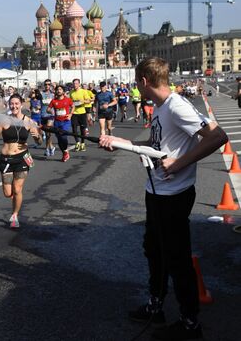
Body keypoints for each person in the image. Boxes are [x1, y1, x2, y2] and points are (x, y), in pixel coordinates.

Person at [100, 57, 227, 341]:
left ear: (144, 81)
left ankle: (190, 322)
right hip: (156, 192)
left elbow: (217, 137)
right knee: (154, 251)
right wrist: (121, 144)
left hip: (174, 196)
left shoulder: (176, 106)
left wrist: (179, 164)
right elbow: (156, 147)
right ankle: (156, 307)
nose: (135, 87)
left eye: (136, 82)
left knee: (177, 259)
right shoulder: (159, 109)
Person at [0, 93, 42, 228]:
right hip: (6, 159)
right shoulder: (4, 121)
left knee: (17, 189)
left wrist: (37, 137)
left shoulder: (29, 122)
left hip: (22, 158)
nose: (14, 106)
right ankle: (15, 202)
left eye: (16, 104)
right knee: (8, 193)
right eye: (11, 104)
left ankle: (14, 215)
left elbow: (39, 141)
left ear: (21, 105)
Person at [47, 85, 74, 162]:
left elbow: (73, 106)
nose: (59, 91)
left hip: (65, 121)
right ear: (55, 91)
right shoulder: (54, 101)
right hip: (57, 122)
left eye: (60, 89)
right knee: (59, 139)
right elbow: (48, 109)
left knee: (63, 137)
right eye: (57, 89)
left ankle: (65, 150)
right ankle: (64, 153)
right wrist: (50, 111)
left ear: (63, 91)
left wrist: (71, 114)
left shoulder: (68, 100)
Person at [69, 78, 91, 152]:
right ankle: (77, 142)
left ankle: (83, 143)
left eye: (76, 83)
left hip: (82, 112)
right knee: (74, 129)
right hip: (74, 113)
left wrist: (83, 101)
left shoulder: (83, 91)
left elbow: (88, 101)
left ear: (79, 84)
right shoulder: (71, 92)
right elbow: (69, 101)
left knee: (82, 129)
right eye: (74, 83)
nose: (75, 85)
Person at [40, 79, 55, 156]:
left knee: (48, 132)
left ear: (51, 85)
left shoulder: (53, 94)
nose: (47, 86)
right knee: (46, 133)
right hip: (43, 115)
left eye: (49, 84)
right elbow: (31, 97)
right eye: (46, 84)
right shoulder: (41, 94)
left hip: (50, 116)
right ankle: (50, 147)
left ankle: (47, 149)